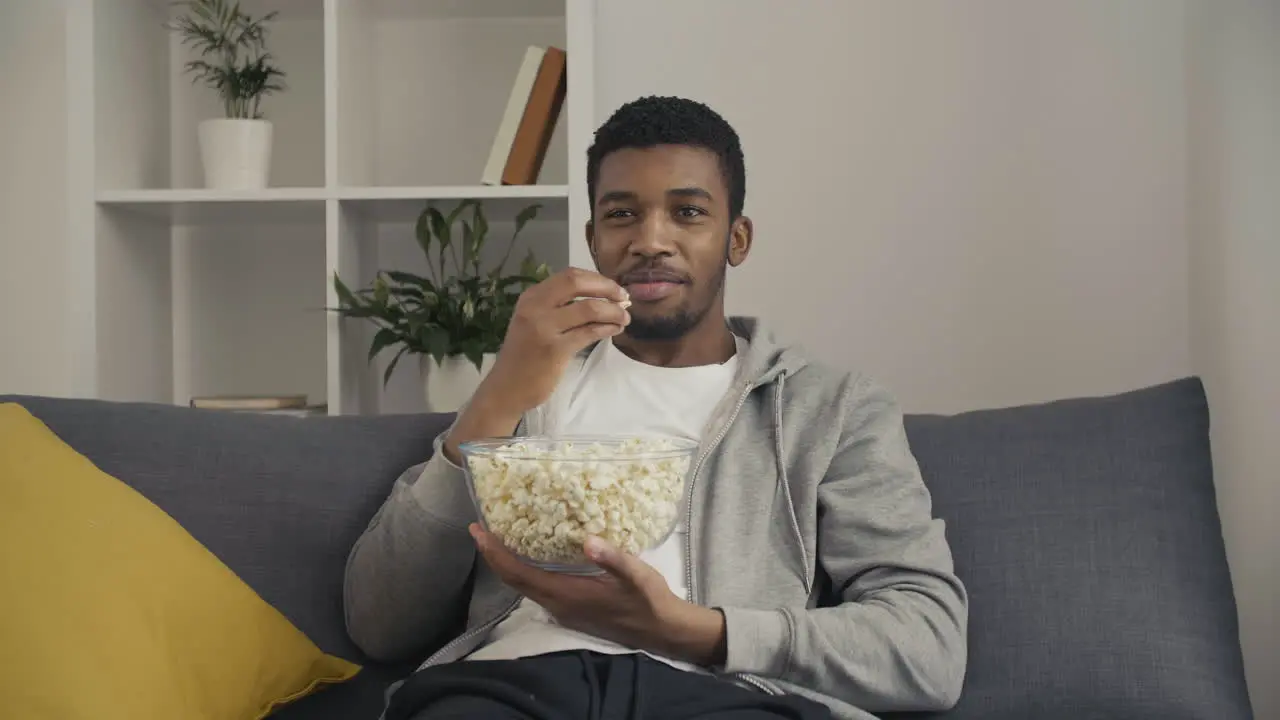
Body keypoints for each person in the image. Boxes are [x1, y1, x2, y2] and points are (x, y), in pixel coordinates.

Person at [343, 96, 968, 720]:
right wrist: (502, 389)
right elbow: (380, 623)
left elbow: (928, 648)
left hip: (724, 694)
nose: (650, 241)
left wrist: (693, 629)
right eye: (622, 214)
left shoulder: (830, 409)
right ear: (593, 239)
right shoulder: (531, 384)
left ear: (737, 238)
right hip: (513, 685)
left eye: (688, 212)